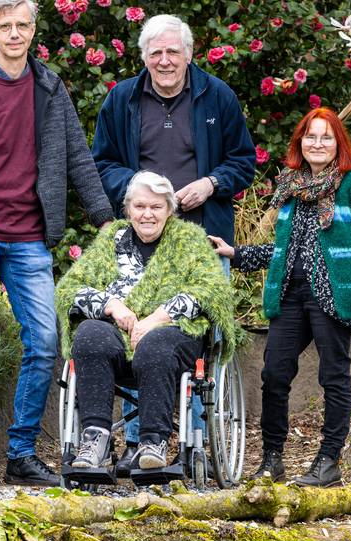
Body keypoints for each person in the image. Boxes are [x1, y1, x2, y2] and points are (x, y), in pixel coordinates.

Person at [0, 0, 114, 487]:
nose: (13, 34)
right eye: (4, 26)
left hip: (31, 236)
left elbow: (78, 157)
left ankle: (22, 452)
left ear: (33, 31)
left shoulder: (50, 88)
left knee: (46, 341)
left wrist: (104, 220)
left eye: (22, 25)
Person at [91, 14, 256, 473]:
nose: (165, 61)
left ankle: (193, 441)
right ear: (144, 57)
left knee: (193, 337)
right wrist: (139, 188)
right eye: (156, 53)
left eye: (173, 52)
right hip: (138, 238)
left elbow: (244, 161)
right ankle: (138, 443)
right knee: (137, 332)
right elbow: (100, 164)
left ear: (188, 54)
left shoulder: (217, 96)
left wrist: (212, 182)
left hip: (201, 239)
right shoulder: (122, 99)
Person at [209, 108, 351, 487]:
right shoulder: (291, 187)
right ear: (300, 143)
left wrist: (334, 264)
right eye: (310, 136)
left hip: (331, 294)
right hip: (290, 292)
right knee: (274, 373)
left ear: (339, 144)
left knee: (333, 376)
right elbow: (282, 251)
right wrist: (236, 253)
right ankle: (272, 460)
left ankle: (328, 461)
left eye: (326, 137)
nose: (317, 143)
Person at [55, 171, 240, 471]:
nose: (147, 214)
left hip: (173, 335)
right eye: (140, 207)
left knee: (156, 345)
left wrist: (157, 317)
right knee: (89, 334)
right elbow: (69, 288)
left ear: (169, 209)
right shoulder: (111, 239)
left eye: (156, 207)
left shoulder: (189, 240)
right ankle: (95, 440)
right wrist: (113, 306)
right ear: (128, 210)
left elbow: (210, 291)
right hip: (117, 335)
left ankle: (153, 441)